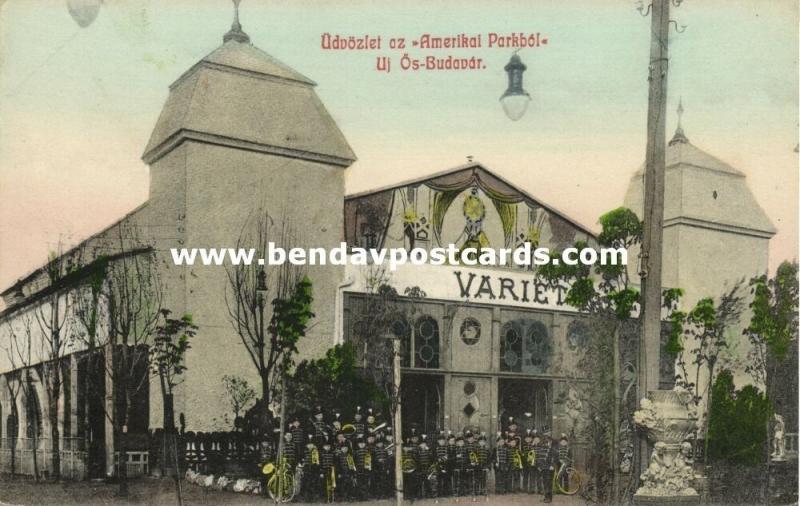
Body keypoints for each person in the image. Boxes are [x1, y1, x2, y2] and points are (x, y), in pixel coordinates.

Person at [541, 434, 558, 503]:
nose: (547, 443)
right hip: (544, 468)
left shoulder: (554, 449)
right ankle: (545, 497)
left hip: (550, 468)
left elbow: (555, 459)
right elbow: (541, 458)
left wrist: (552, 466)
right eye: (545, 441)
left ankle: (549, 498)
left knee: (549, 483)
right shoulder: (543, 449)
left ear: (551, 442)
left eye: (548, 441)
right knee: (545, 483)